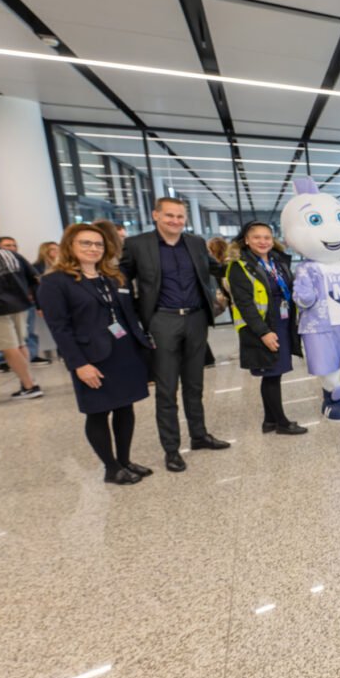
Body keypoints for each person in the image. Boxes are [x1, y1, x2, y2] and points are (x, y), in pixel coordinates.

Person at [120, 197, 230, 473]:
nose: (175, 221)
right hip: (162, 320)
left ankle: (199, 435)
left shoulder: (195, 243)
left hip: (196, 319)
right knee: (167, 389)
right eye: (169, 215)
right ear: (156, 215)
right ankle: (171, 449)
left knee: (195, 384)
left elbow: (215, 268)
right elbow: (120, 279)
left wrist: (243, 264)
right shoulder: (137, 245)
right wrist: (135, 317)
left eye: (180, 216)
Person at [37, 224, 153, 485]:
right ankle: (111, 468)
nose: (93, 248)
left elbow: (125, 314)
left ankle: (125, 461)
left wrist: (142, 344)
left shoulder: (112, 276)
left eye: (98, 244)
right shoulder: (55, 282)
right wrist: (79, 364)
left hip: (123, 351)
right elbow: (60, 328)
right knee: (98, 412)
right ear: (70, 246)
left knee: (125, 408)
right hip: (91, 357)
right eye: (86, 243)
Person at [226, 222, 306, 435]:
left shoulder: (277, 261)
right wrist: (263, 332)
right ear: (246, 240)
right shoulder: (239, 266)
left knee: (273, 374)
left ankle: (269, 421)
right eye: (257, 237)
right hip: (263, 326)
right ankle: (282, 423)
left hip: (282, 322)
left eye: (267, 237)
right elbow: (244, 304)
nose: (262, 241)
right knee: (272, 372)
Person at [0, 227, 42, 398]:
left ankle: (30, 386)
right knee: (20, 344)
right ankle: (28, 382)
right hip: (19, 304)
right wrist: (38, 303)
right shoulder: (10, 254)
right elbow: (34, 278)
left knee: (8, 348)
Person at [0, 236, 50, 367]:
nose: (12, 248)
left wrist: (34, 298)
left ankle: (31, 356)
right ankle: (3, 361)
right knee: (2, 334)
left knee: (27, 332)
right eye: (8, 245)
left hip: (23, 303)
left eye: (14, 245)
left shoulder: (20, 261)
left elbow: (34, 279)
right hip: (0, 305)